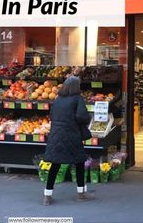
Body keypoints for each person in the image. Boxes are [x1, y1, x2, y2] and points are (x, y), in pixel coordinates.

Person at [43, 76, 94, 205]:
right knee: (79, 163)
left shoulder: (58, 99)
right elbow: (82, 117)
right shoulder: (77, 99)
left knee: (55, 164)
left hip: (57, 135)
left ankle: (47, 196)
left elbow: (52, 116)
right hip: (72, 135)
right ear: (76, 87)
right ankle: (81, 193)